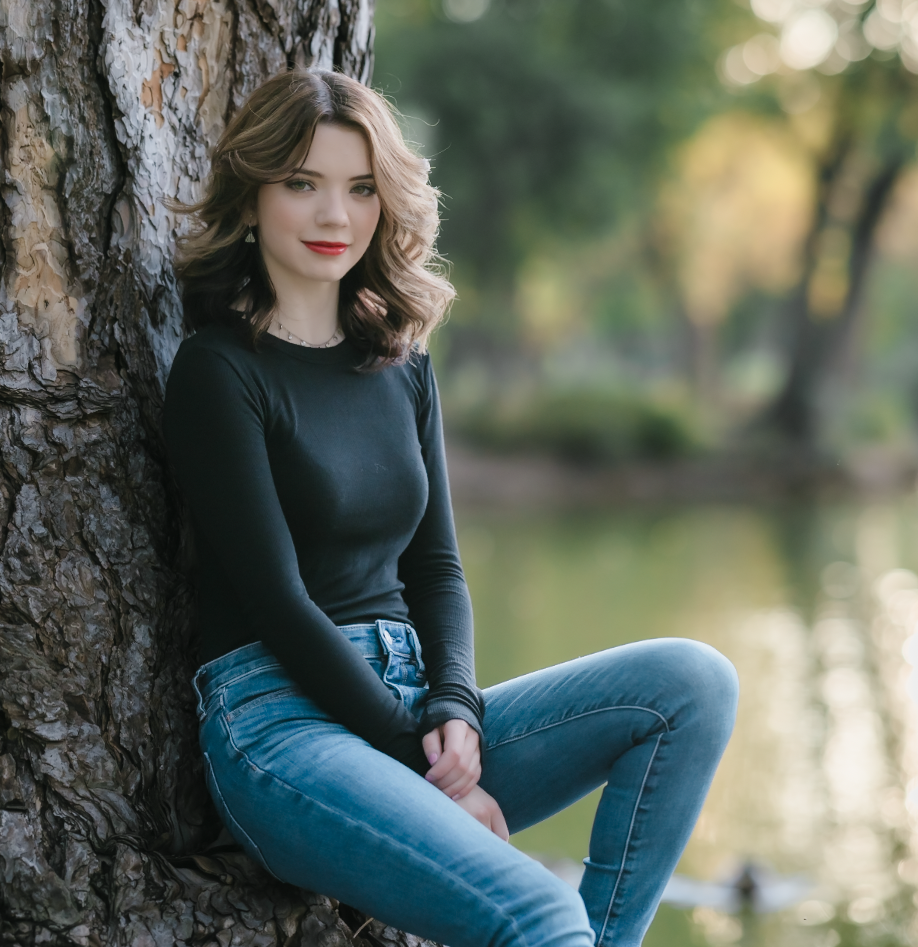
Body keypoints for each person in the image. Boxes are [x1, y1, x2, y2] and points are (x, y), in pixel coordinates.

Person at [163, 69, 737, 947]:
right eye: (301, 184)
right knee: (542, 911)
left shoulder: (400, 366)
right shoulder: (218, 371)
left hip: (415, 705)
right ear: (250, 200)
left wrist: (455, 711)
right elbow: (277, 600)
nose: (334, 215)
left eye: (361, 189)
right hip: (282, 727)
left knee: (693, 684)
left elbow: (435, 568)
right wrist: (425, 764)